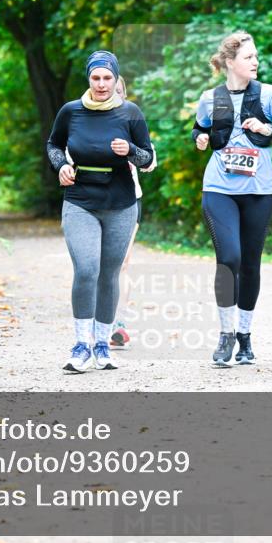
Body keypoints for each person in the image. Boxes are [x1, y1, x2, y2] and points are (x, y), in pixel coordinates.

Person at [191, 31, 272, 367]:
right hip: (219, 188)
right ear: (230, 62)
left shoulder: (266, 94)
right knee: (229, 258)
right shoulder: (212, 98)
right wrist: (200, 138)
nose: (256, 62)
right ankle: (225, 335)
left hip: (258, 191)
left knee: (251, 264)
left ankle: (245, 336)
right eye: (249, 57)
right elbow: (199, 129)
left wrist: (268, 130)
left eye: (256, 56)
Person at [46, 51, 154, 373]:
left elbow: (148, 158)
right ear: (88, 79)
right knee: (87, 269)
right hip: (80, 200)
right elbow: (53, 144)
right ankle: (81, 345)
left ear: (115, 80)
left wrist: (130, 151)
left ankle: (103, 345)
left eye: (107, 78)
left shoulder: (130, 113)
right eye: (96, 78)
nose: (102, 84)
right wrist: (62, 165)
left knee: (109, 273)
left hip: (121, 204)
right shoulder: (71, 112)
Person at [109, 77, 157, 349]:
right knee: (98, 265)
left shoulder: (131, 119)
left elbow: (150, 160)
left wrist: (131, 151)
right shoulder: (82, 117)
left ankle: (119, 324)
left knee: (122, 263)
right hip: (92, 201)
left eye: (119, 91)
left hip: (130, 198)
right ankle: (98, 320)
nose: (112, 95)